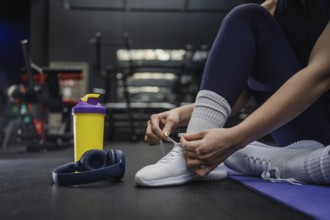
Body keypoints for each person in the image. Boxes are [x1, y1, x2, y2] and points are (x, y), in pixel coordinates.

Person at [135, 0, 330, 187]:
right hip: (304, 135)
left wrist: (236, 139)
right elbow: (236, 91)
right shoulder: (274, 7)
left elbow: (320, 76)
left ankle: (284, 162)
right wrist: (181, 115)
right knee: (247, 16)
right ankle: (193, 156)